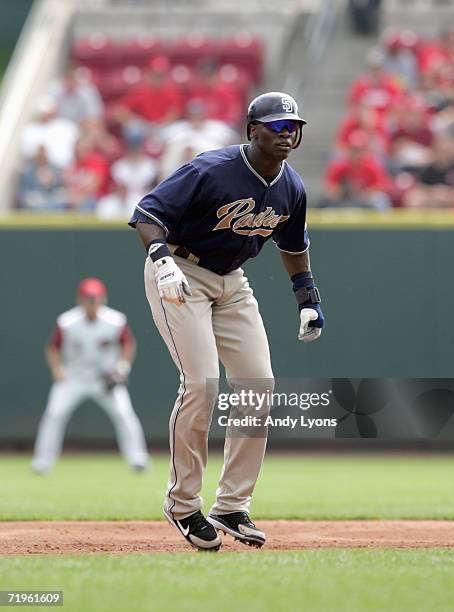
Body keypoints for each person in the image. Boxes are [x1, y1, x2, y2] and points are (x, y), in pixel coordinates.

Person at [129, 92, 324, 551]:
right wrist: (161, 261)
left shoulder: (292, 187)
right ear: (252, 130)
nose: (286, 133)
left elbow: (293, 247)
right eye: (276, 126)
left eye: (292, 125)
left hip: (231, 281)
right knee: (200, 384)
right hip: (181, 271)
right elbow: (146, 214)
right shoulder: (211, 169)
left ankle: (232, 505)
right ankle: (183, 505)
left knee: (259, 383)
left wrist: (307, 297)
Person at [32, 278, 149, 475]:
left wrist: (122, 368)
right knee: (54, 414)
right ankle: (42, 462)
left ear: (103, 299)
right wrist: (57, 369)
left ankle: (138, 459)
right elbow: (52, 348)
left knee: (124, 415)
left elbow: (128, 344)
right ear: (80, 299)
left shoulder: (115, 320)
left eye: (95, 299)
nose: (92, 303)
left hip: (104, 380)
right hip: (73, 378)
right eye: (88, 299)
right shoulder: (67, 322)